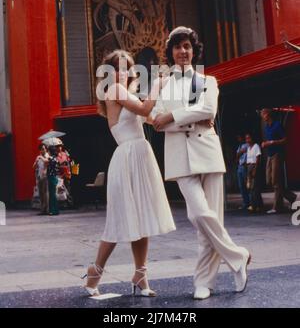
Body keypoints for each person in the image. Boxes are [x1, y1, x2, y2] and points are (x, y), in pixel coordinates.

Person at [151, 26, 251, 300]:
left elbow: (208, 110)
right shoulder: (162, 83)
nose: (183, 51)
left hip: (207, 152)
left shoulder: (208, 80)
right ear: (170, 52)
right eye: (178, 47)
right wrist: (184, 118)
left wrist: (172, 116)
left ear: (194, 51)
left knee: (211, 220)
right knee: (197, 215)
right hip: (179, 156)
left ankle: (203, 282)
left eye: (187, 47)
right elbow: (156, 121)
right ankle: (238, 255)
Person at [82, 50, 175, 297]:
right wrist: (157, 83)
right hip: (127, 159)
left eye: (127, 68)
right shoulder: (115, 91)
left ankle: (140, 274)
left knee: (142, 219)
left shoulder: (127, 95)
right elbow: (146, 109)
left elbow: (153, 118)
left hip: (139, 157)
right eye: (119, 68)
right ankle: (94, 272)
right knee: (118, 222)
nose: (124, 72)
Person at [261, 109, 297, 214]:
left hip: (277, 154)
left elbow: (285, 139)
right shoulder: (266, 127)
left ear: (268, 114)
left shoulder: (277, 125)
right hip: (269, 155)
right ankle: (291, 196)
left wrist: (272, 142)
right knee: (269, 181)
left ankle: (277, 207)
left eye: (264, 114)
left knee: (276, 182)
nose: (262, 116)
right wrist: (265, 143)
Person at [245, 133, 264, 213]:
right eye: (246, 139)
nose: (247, 140)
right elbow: (248, 159)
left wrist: (255, 169)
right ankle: (259, 205)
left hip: (254, 167)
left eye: (249, 138)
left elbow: (257, 158)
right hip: (249, 167)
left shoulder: (256, 146)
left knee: (254, 187)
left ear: (252, 139)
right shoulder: (248, 148)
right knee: (250, 187)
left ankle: (254, 205)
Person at [33, 144, 50, 215]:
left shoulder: (47, 156)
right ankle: (42, 209)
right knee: (40, 194)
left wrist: (40, 157)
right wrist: (36, 161)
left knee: (45, 193)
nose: (43, 150)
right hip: (39, 176)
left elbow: (47, 162)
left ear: (46, 149)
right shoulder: (38, 157)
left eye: (44, 149)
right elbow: (33, 167)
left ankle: (46, 209)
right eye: (41, 149)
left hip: (45, 177)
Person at [236, 135, 250, 210]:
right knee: (241, 186)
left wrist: (239, 153)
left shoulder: (247, 145)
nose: (239, 139)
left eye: (240, 137)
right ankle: (245, 202)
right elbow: (237, 155)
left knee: (247, 185)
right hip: (240, 166)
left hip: (245, 166)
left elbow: (240, 153)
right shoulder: (239, 146)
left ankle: (250, 202)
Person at [47, 143, 61, 216]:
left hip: (51, 177)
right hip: (54, 177)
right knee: (53, 194)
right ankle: (55, 210)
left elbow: (47, 163)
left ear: (50, 151)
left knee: (52, 194)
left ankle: (53, 210)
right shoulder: (55, 158)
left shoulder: (51, 158)